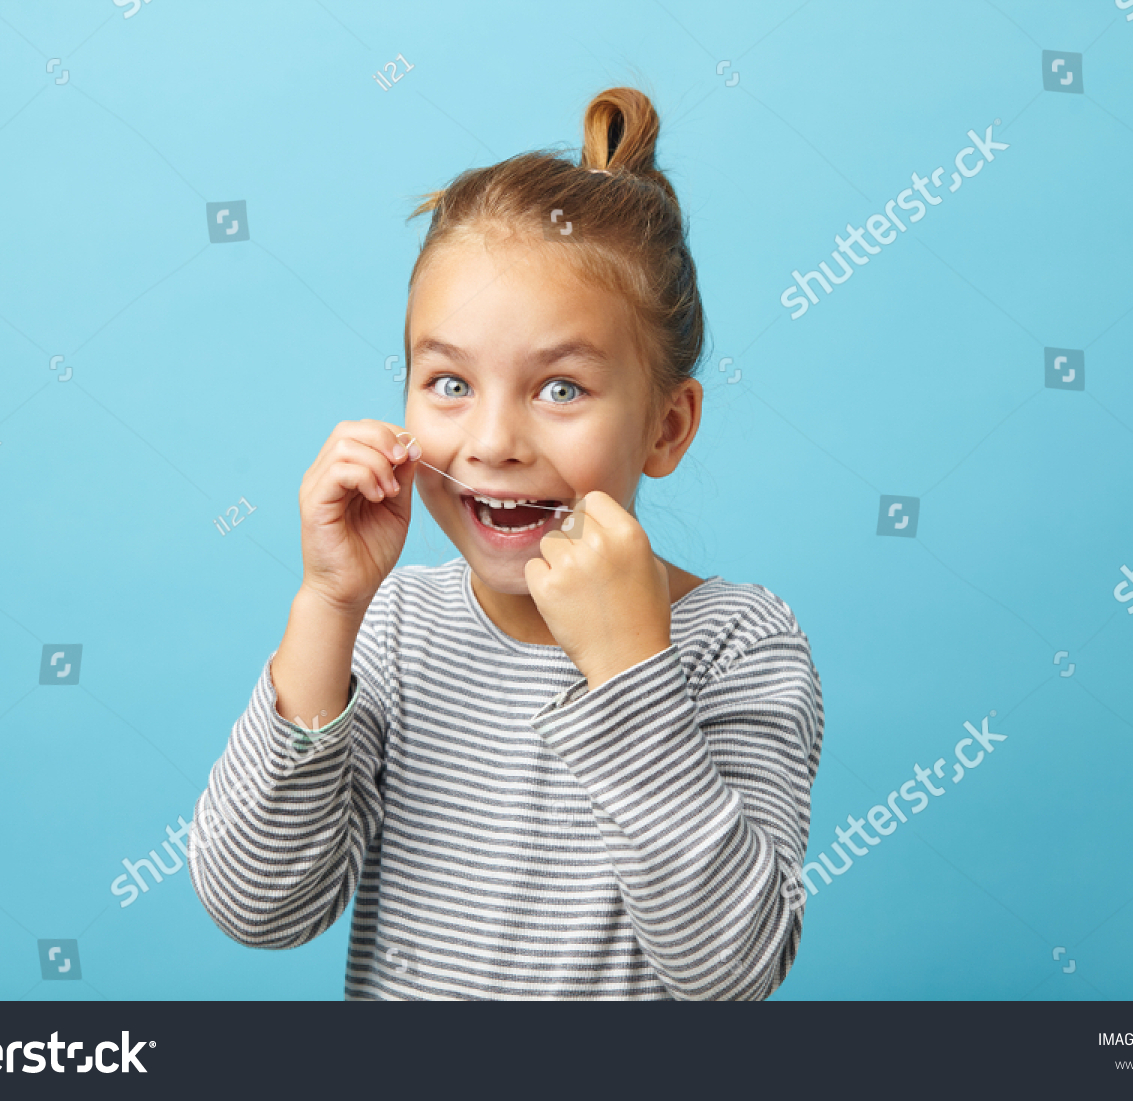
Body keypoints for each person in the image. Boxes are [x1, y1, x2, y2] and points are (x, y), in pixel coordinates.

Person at [188, 86, 824, 999]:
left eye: (560, 389)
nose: (491, 442)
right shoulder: (398, 625)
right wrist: (328, 607)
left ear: (667, 427)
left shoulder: (737, 644)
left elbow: (729, 971)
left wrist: (629, 670)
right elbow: (260, 906)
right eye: (448, 382)